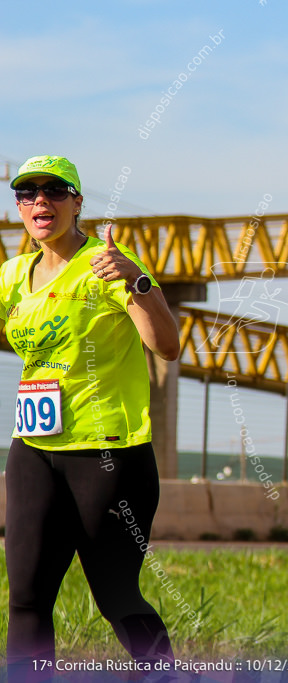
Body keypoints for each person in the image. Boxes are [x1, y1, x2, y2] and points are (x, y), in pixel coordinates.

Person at [3, 156, 181, 681]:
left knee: (116, 595)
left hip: (108, 453)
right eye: (27, 192)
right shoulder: (12, 276)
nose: (41, 201)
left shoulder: (108, 262)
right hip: (34, 449)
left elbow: (167, 348)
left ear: (77, 201)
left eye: (55, 191)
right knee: (27, 598)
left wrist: (139, 282)